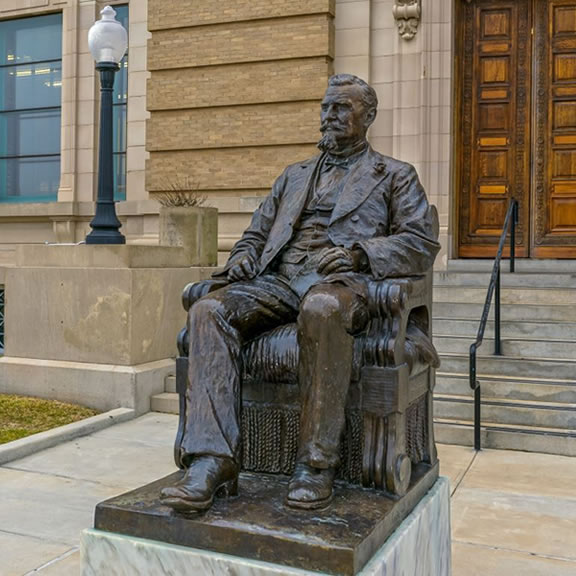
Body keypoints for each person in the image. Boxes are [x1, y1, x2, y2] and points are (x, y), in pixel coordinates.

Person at [160, 74, 440, 512]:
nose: (329, 116)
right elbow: (254, 235)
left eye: (340, 108)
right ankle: (212, 462)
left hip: (341, 286)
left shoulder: (395, 176)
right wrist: (243, 260)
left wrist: (360, 254)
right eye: (326, 108)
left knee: (324, 307)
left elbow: (421, 243)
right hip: (280, 280)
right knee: (209, 308)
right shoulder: (294, 176)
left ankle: (316, 463)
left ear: (368, 116)